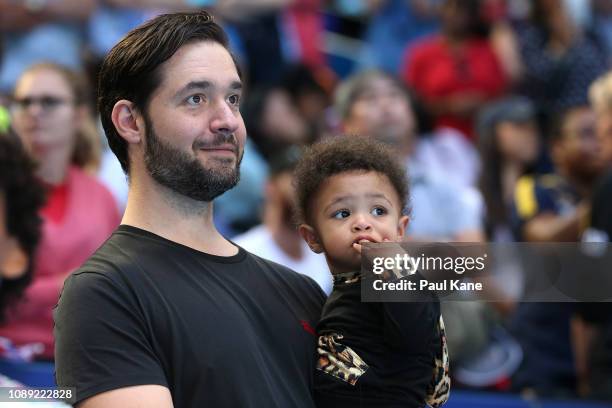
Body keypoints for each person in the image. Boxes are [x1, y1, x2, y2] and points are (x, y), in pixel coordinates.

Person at [53, 11, 325, 407]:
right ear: (130, 121)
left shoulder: (300, 291)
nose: (228, 120)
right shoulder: (104, 294)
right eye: (196, 99)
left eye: (233, 98)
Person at [294, 136, 450, 408]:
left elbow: (416, 334)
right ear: (312, 238)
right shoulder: (336, 293)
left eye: (378, 211)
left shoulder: (397, 280)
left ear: (400, 229)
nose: (363, 222)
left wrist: (391, 265)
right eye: (342, 213)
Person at [0, 63, 119, 366]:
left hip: (85, 361)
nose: (34, 111)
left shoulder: (101, 196)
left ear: (79, 115)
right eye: (25, 102)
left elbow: (116, 288)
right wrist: (68, 285)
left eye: (49, 102)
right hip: (10, 362)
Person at [233, 147, 332, 295]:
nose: (305, 186)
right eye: (295, 176)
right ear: (270, 187)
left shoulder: (326, 251)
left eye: (310, 179)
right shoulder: (244, 252)